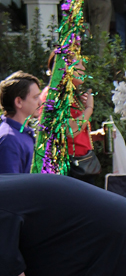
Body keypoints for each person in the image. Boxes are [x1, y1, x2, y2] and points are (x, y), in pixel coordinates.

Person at [40, 55, 103, 184]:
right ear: (63, 67)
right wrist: (89, 108)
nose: (83, 68)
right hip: (68, 168)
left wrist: (94, 136)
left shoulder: (71, 93)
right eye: (77, 64)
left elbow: (68, 135)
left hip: (81, 164)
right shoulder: (55, 94)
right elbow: (70, 130)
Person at [0, 71, 41, 173]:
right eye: (35, 97)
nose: (40, 102)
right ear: (19, 102)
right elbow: (10, 182)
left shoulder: (23, 132)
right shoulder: (9, 139)